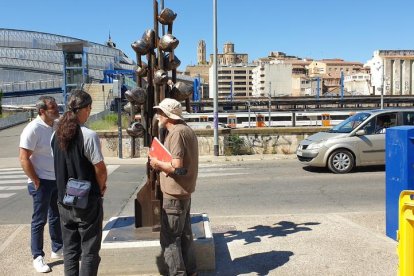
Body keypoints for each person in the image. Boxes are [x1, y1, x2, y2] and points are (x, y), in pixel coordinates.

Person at [51, 89, 107, 276]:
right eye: (89, 108)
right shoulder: (88, 135)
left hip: (63, 200)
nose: (90, 112)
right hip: (86, 200)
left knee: (70, 250)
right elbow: (100, 169)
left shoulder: (55, 136)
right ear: (83, 109)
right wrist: (101, 189)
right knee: (90, 251)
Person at [149, 98, 198, 276]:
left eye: (160, 113)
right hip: (184, 193)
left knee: (169, 240)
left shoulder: (176, 133)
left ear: (168, 116)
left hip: (174, 196)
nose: (157, 116)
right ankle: (192, 272)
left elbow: (178, 167)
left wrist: (157, 163)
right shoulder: (187, 130)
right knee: (185, 237)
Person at [19, 96, 63, 273]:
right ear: (42, 111)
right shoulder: (33, 129)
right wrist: (35, 179)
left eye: (56, 106)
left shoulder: (56, 125)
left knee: (56, 215)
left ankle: (57, 248)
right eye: (53, 107)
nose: (57, 109)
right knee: (39, 220)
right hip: (41, 182)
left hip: (55, 179)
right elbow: (23, 158)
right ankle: (37, 256)